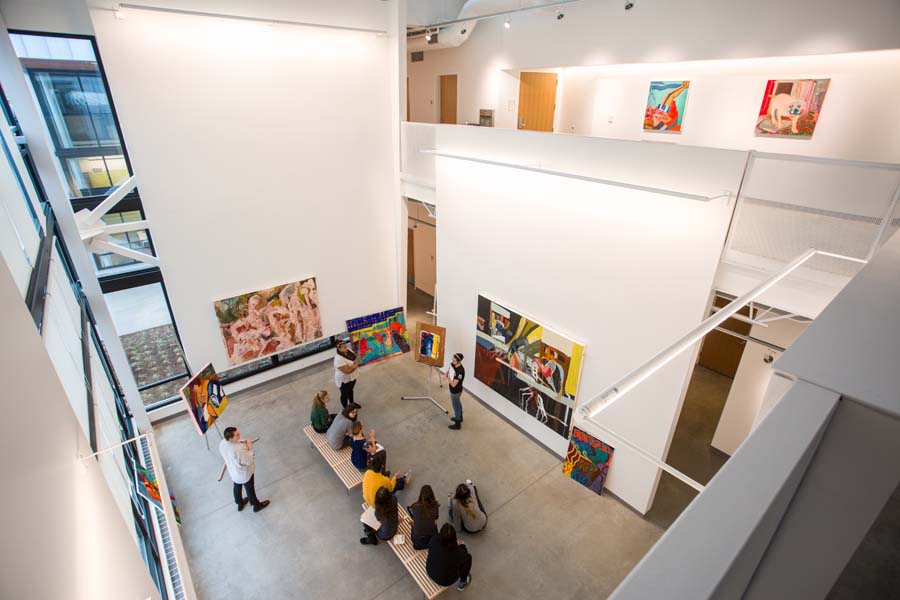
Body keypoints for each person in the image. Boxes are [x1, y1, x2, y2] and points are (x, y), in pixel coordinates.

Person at [219, 426, 270, 513]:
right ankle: (256, 505)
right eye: (237, 435)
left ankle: (240, 503)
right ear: (231, 439)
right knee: (250, 489)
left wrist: (242, 441)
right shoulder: (238, 450)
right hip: (244, 473)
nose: (239, 435)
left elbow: (236, 444)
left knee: (237, 487)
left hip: (233, 471)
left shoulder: (222, 443)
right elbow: (249, 461)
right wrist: (250, 447)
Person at [426, 523, 472, 591]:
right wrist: (462, 545)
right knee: (468, 558)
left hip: (430, 571)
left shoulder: (434, 539)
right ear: (454, 537)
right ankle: (462, 583)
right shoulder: (457, 552)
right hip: (445, 581)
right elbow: (464, 554)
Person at [408, 484, 440, 550]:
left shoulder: (415, 506)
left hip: (417, 541)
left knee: (413, 525)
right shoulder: (435, 506)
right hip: (431, 538)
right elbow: (436, 519)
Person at [333, 339, 360, 408]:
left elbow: (356, 358)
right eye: (344, 347)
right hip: (344, 380)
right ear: (338, 348)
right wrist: (354, 366)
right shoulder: (338, 359)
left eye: (346, 346)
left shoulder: (348, 350)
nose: (346, 348)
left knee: (350, 391)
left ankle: (352, 404)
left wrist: (353, 366)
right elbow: (347, 371)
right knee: (344, 394)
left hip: (352, 376)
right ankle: (346, 409)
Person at [444, 353, 466, 430]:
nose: (452, 361)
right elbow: (450, 368)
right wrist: (445, 374)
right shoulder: (453, 364)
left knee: (456, 407)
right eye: (452, 359)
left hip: (456, 391)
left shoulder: (460, 371)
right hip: (455, 390)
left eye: (454, 360)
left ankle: (457, 424)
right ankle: (460, 417)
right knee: (458, 403)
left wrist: (448, 378)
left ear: (459, 361)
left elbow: (453, 385)